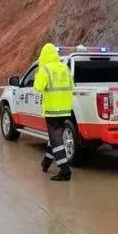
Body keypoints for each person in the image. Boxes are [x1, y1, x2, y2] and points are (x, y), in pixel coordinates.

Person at [33, 43, 74, 181]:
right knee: (54, 138)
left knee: (56, 140)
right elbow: (71, 86)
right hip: (65, 109)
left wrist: (38, 73)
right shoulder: (64, 67)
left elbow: (37, 87)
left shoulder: (45, 69)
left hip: (52, 110)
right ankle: (46, 163)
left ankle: (65, 170)